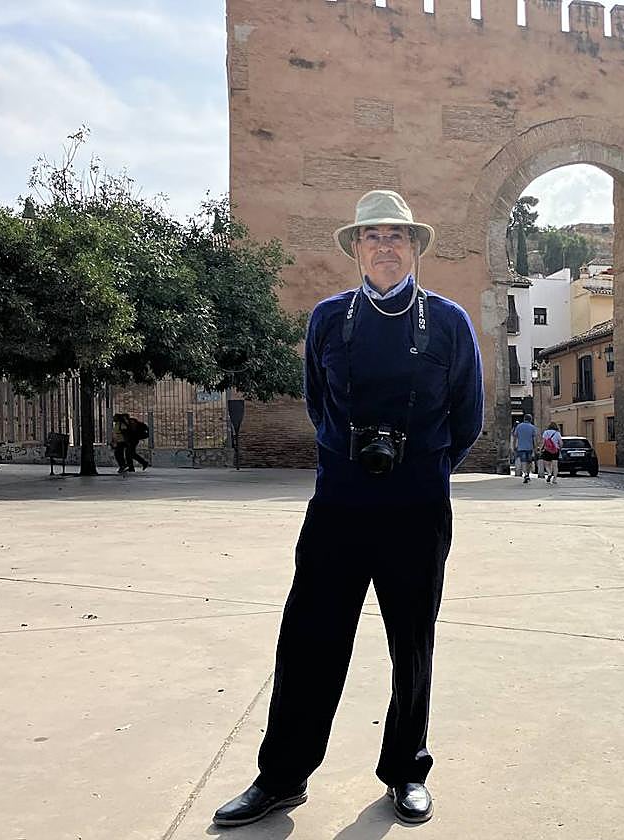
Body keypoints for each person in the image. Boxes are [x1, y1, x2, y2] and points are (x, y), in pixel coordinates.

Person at [213, 190, 484, 828]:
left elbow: (468, 418)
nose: (384, 246)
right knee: (308, 640)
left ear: (415, 247)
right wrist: (350, 457)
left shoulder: (448, 321)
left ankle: (406, 771)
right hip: (338, 503)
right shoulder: (329, 320)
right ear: (355, 248)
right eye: (372, 236)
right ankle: (280, 777)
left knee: (411, 644)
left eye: (396, 235)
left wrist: (424, 469)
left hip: (417, 507)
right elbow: (318, 404)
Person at [511, 415, 538, 484]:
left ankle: (525, 474)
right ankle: (528, 474)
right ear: (530, 419)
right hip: (529, 447)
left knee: (523, 461)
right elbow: (534, 439)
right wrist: (535, 448)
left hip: (521, 447)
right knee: (529, 462)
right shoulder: (532, 427)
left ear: (524, 419)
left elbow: (515, 437)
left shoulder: (519, 426)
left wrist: (514, 446)